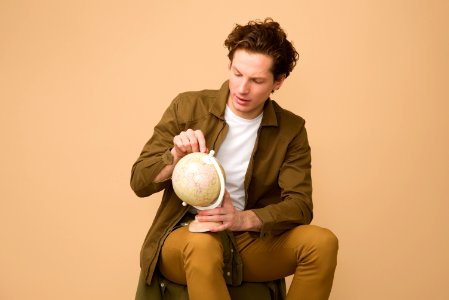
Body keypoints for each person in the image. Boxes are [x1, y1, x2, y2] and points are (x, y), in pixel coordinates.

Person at [130, 18, 338, 300]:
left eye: (256, 80)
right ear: (229, 65)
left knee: (322, 243)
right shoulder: (188, 106)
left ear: (278, 82)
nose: (242, 89)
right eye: (237, 74)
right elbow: (139, 182)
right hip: (185, 236)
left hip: (245, 240)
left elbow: (301, 206)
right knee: (203, 246)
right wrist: (174, 157)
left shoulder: (291, 130)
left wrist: (243, 220)